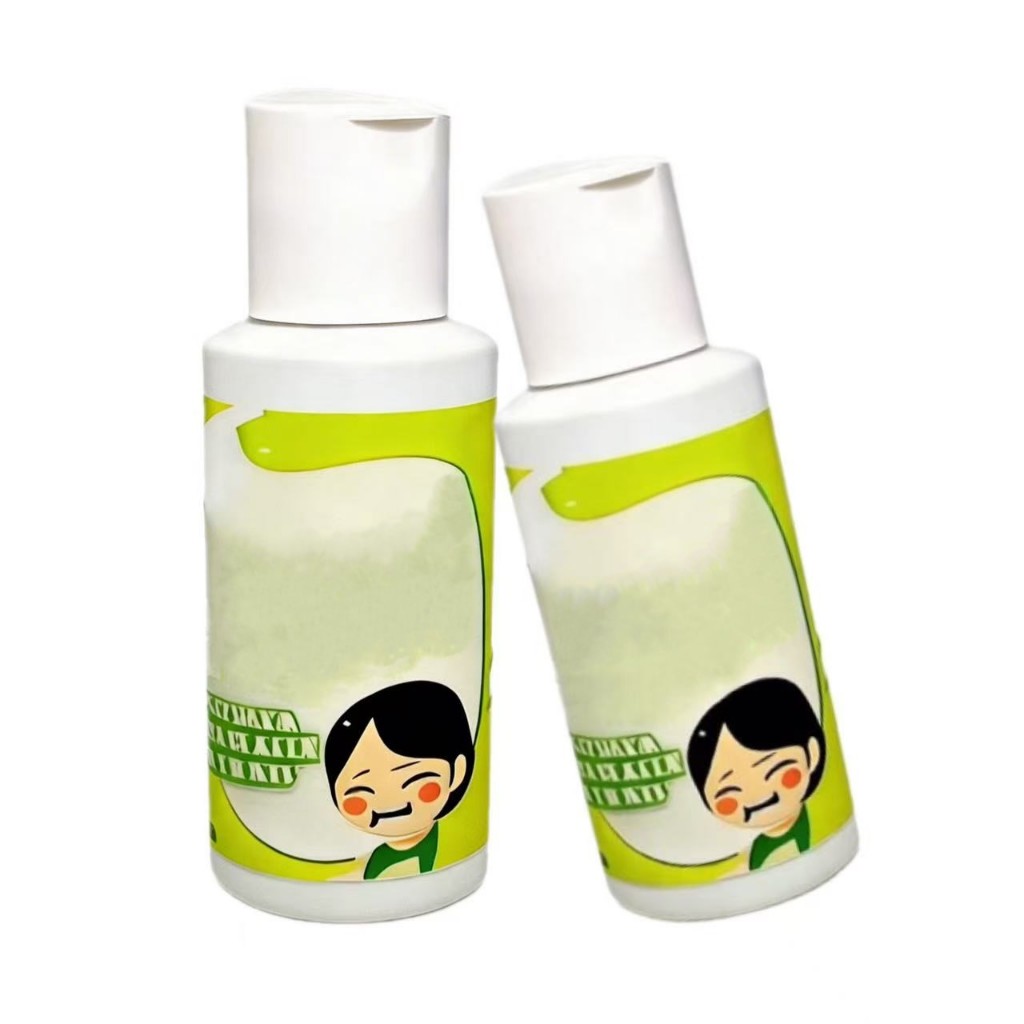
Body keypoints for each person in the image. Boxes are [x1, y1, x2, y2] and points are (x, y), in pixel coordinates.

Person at [324, 680, 475, 880]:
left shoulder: (457, 840)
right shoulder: (375, 858)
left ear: (458, 771)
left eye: (414, 780)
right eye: (360, 794)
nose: (389, 803)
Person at [687, 677, 825, 871]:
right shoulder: (755, 851)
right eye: (728, 795)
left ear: (813, 753)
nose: (759, 797)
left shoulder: (822, 822)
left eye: (775, 770)